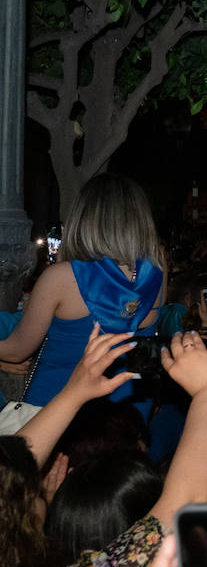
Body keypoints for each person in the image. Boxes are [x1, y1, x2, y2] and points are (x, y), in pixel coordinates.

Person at [0, 174, 165, 406]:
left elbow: (17, 351)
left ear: (83, 219)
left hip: (61, 407)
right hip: (130, 408)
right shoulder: (158, 269)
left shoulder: (61, 277)